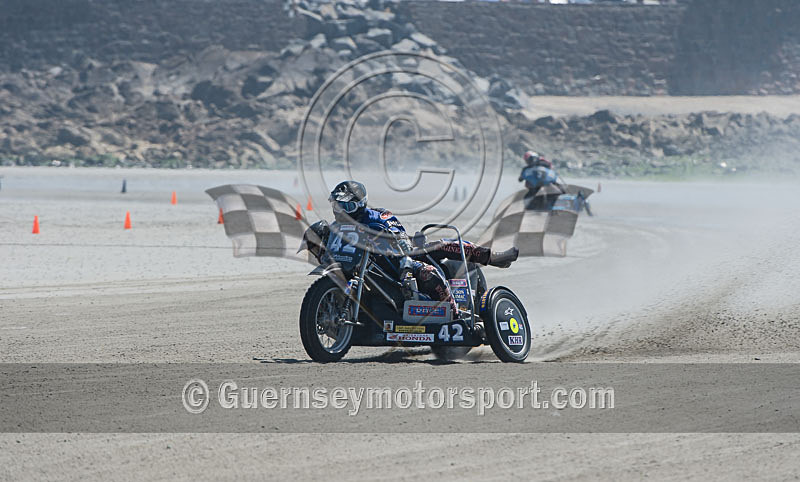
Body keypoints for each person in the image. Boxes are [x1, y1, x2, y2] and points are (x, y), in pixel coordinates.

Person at [319, 181, 518, 312]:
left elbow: (402, 243)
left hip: (401, 259)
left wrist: (400, 259)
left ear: (359, 205)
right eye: (336, 205)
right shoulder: (338, 226)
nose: (339, 210)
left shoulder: (378, 216)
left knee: (435, 259)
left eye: (345, 206)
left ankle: (458, 307)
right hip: (368, 269)